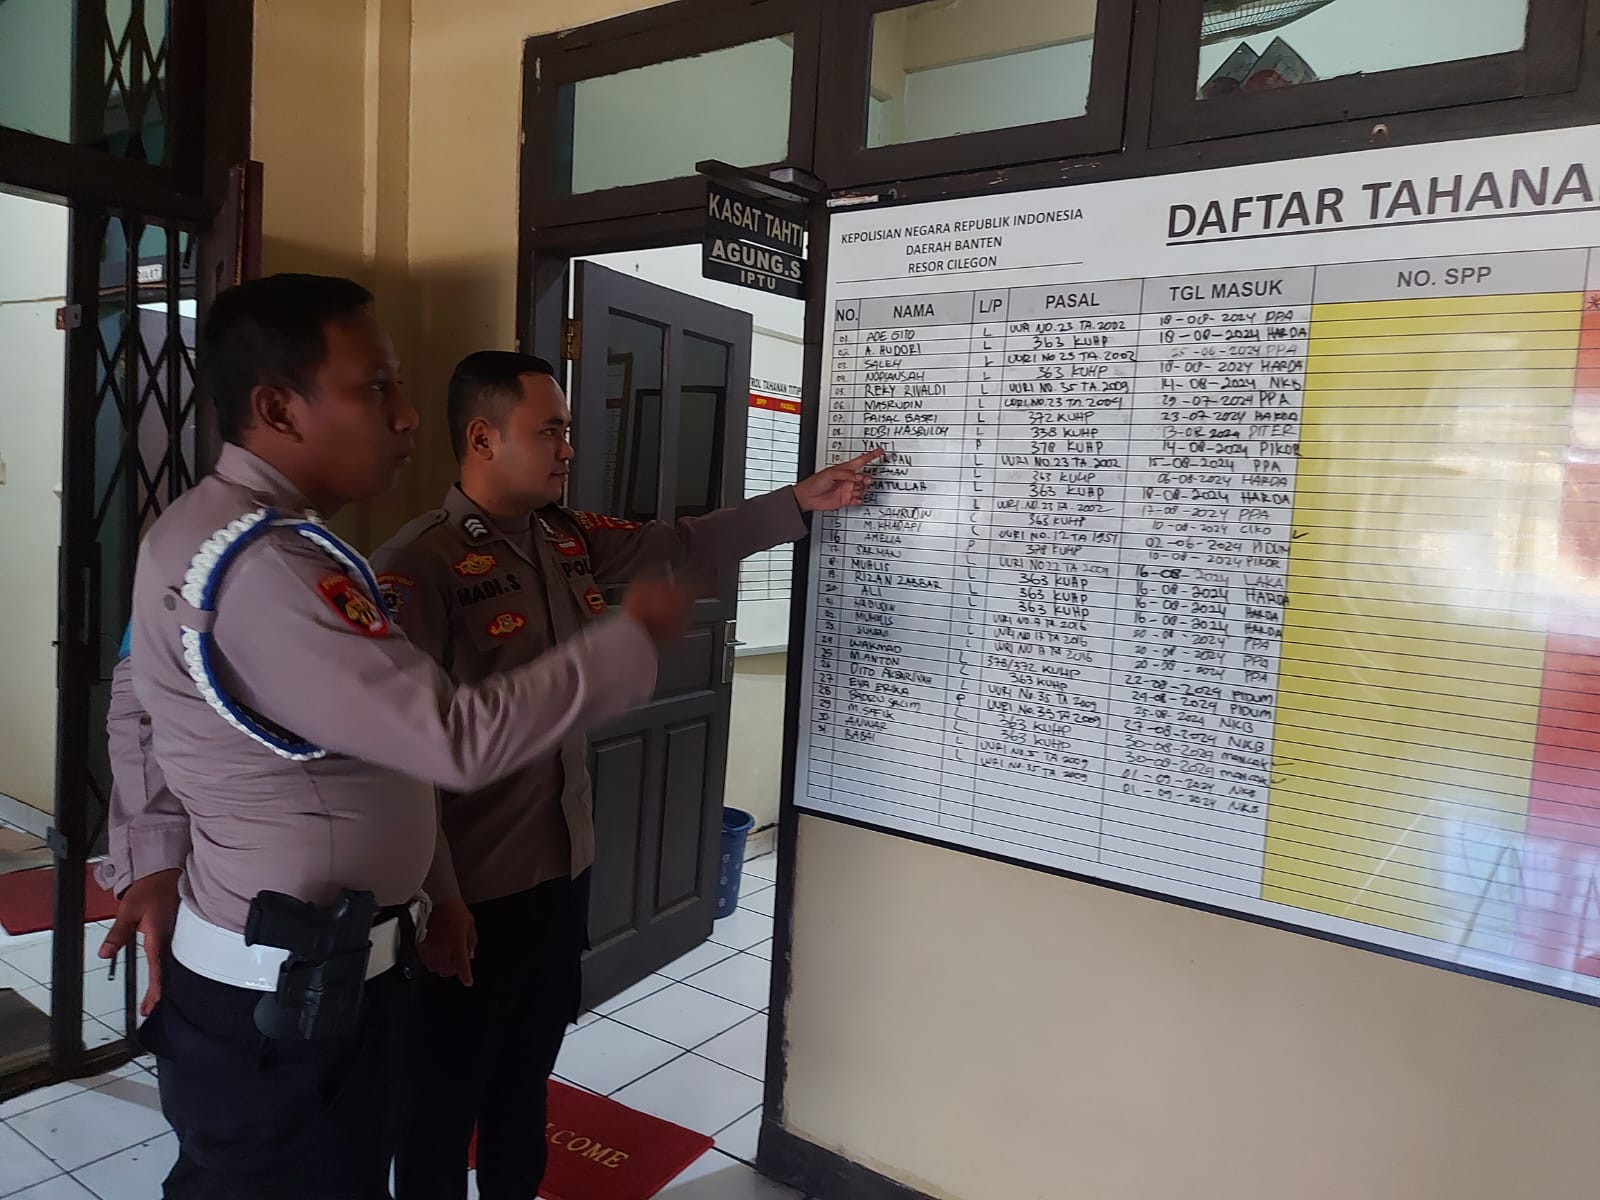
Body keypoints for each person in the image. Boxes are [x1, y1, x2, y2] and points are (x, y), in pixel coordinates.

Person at [94, 276, 693, 1200]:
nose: (408, 416)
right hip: (284, 1005)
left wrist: (154, 854)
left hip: (323, 978)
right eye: (375, 388)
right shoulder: (269, 565)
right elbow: (449, 738)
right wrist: (629, 642)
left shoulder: (223, 531)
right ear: (277, 409)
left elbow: (143, 691)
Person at [373, 350, 879, 1200]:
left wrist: (797, 502)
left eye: (568, 429)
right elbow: (399, 757)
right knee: (438, 1102)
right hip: (469, 893)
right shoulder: (417, 566)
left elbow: (681, 544)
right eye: (551, 430)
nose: (569, 447)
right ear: (484, 438)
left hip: (559, 872)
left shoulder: (564, 539)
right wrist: (441, 898)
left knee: (524, 1080)